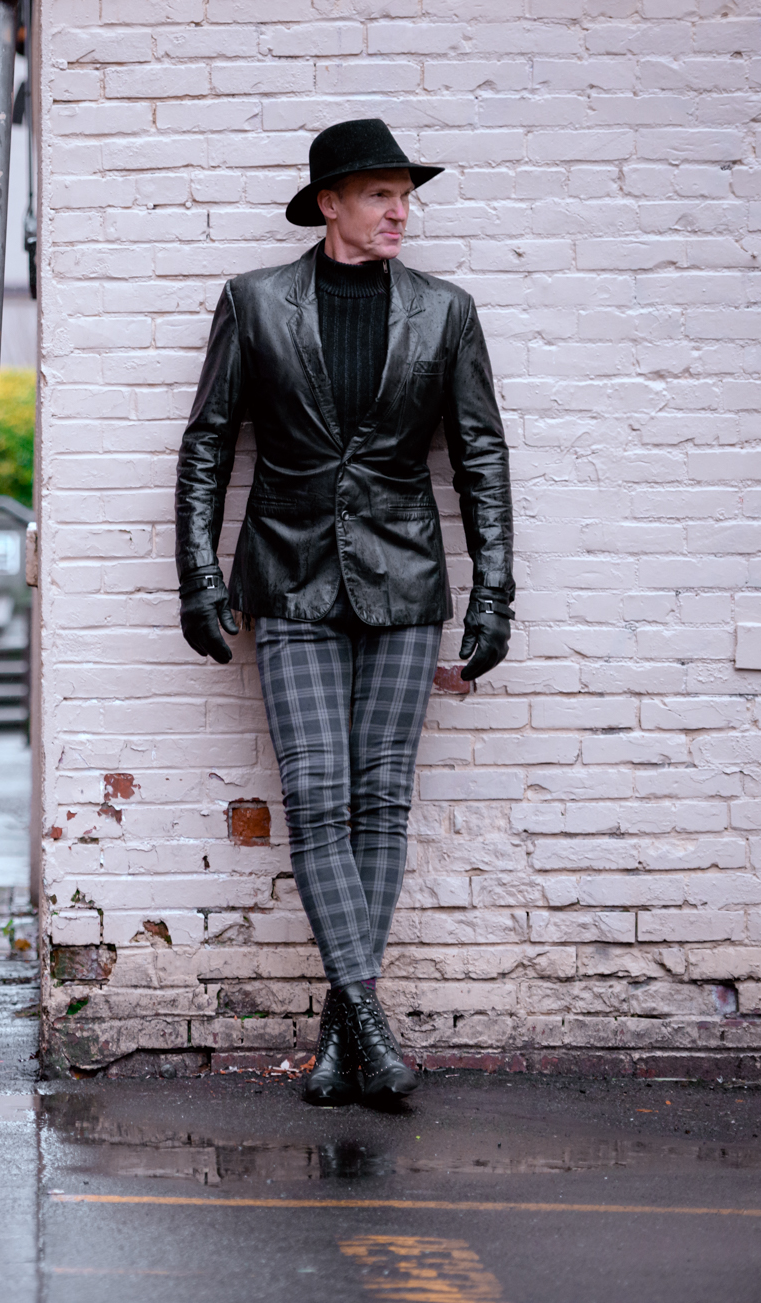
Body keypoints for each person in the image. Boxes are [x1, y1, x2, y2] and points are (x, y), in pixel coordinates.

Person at [174, 119, 515, 1106]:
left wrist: (492, 593)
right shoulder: (254, 303)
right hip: (284, 575)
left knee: (381, 799)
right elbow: (206, 444)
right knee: (318, 795)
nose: (398, 210)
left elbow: (480, 459)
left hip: (405, 580)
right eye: (377, 194)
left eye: (404, 194)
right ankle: (369, 1016)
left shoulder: (445, 313)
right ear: (328, 204)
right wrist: (197, 573)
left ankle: (342, 1036)